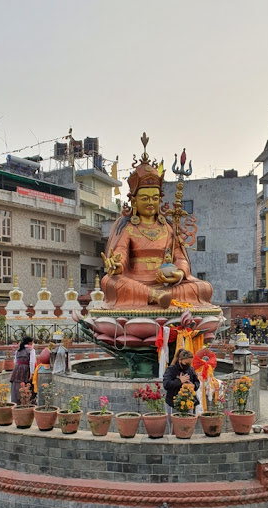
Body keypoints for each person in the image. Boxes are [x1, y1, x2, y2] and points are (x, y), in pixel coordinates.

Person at [101, 139, 214, 310]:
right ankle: (153, 296)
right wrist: (116, 265)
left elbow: (180, 258)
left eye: (155, 198)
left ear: (160, 200)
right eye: (144, 198)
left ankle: (157, 296)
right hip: (135, 281)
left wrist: (179, 273)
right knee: (110, 282)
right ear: (134, 201)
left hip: (166, 284)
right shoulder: (129, 228)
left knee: (203, 287)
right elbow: (121, 254)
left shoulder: (168, 227)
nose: (150, 203)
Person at [163, 349, 200, 423]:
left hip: (188, 402)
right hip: (173, 403)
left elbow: (197, 382)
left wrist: (193, 386)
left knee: (188, 425)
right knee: (174, 426)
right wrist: (180, 381)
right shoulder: (171, 370)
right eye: (186, 363)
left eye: (190, 363)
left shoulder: (191, 369)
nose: (188, 365)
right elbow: (166, 384)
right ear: (180, 360)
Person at [10, 336, 36, 405]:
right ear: (30, 342)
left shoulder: (18, 350)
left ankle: (15, 401)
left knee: (16, 384)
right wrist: (32, 373)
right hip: (26, 369)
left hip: (17, 368)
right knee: (26, 384)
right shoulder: (31, 350)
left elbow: (15, 361)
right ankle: (26, 401)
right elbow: (32, 362)